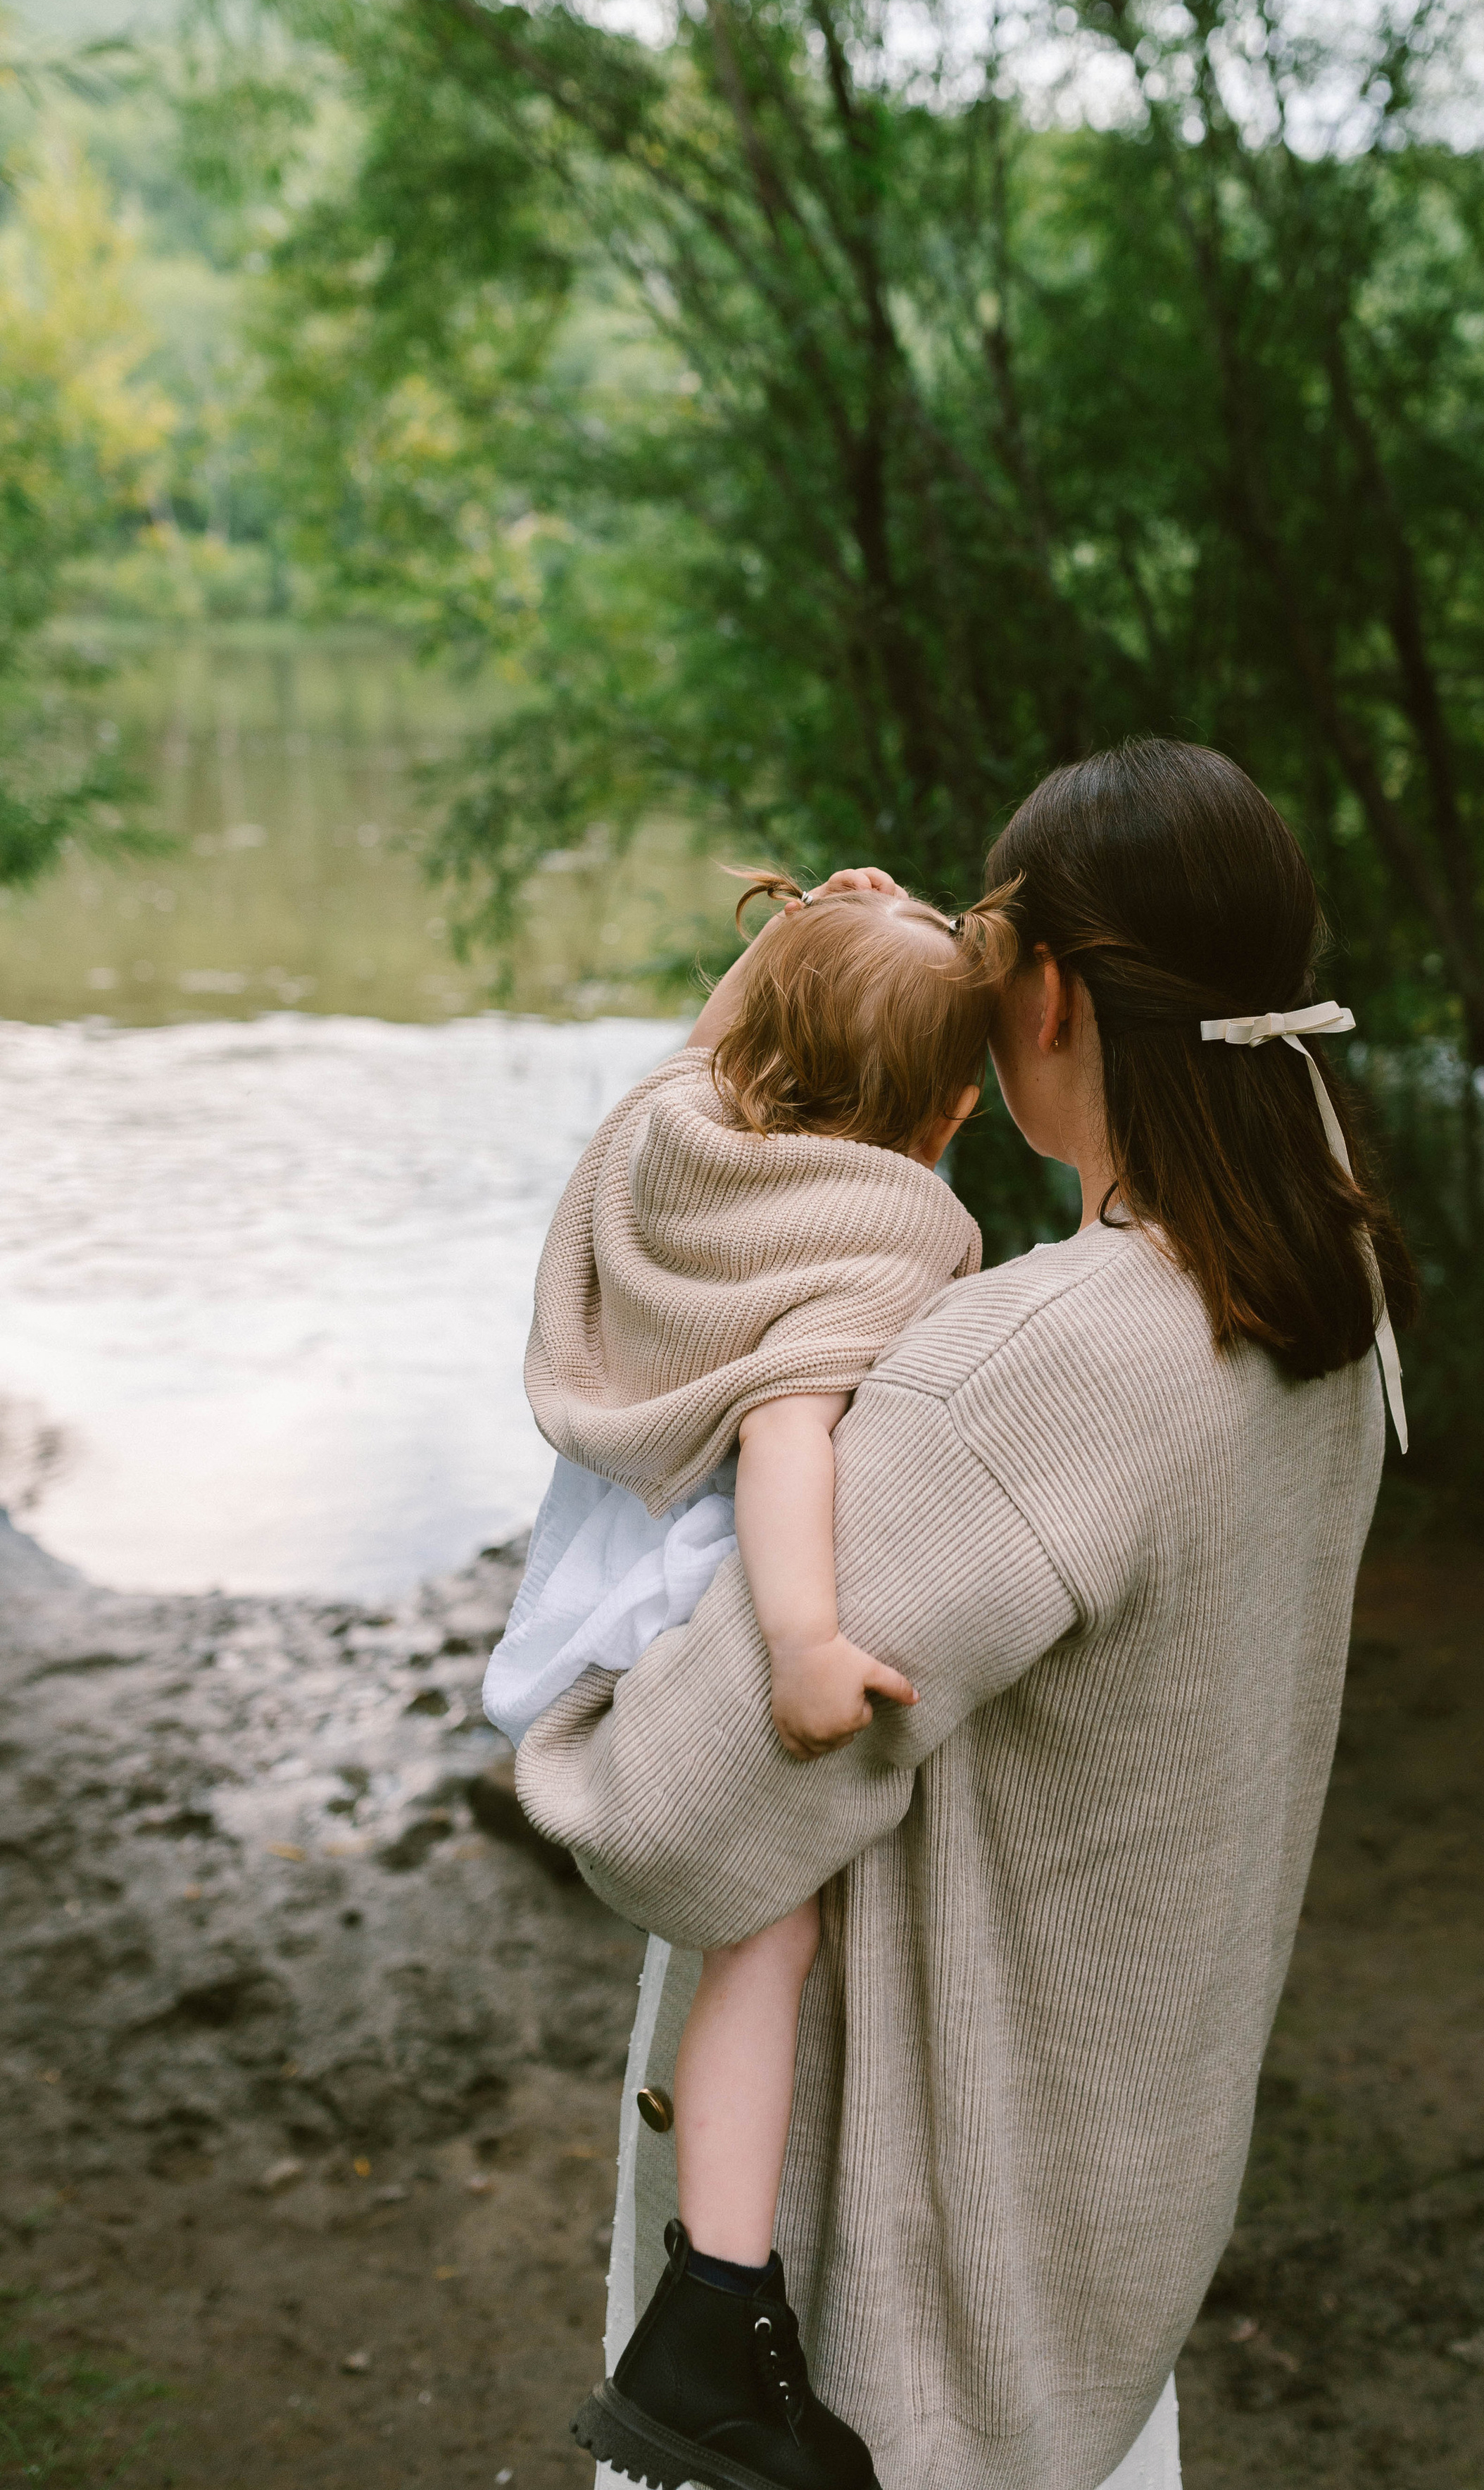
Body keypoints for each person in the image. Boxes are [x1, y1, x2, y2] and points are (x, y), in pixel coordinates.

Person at [518, 739, 1418, 2490]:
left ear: (1051, 997)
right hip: (1107, 2219)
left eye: (986, 966)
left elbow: (663, 1824)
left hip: (884, 2325)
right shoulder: (1327, 1289)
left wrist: (584, 1691)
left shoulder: (1029, 1372)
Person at [485, 868, 1018, 2486]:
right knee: (768, 1938)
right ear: (947, 1114)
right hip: (702, 1602)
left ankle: (714, 2295)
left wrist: (776, 956)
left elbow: (693, 1061)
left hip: (589, 1569)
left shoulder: (670, 1139)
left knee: (753, 1947)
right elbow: (790, 1435)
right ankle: (717, 2295)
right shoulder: (884, 1227)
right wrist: (803, 1647)